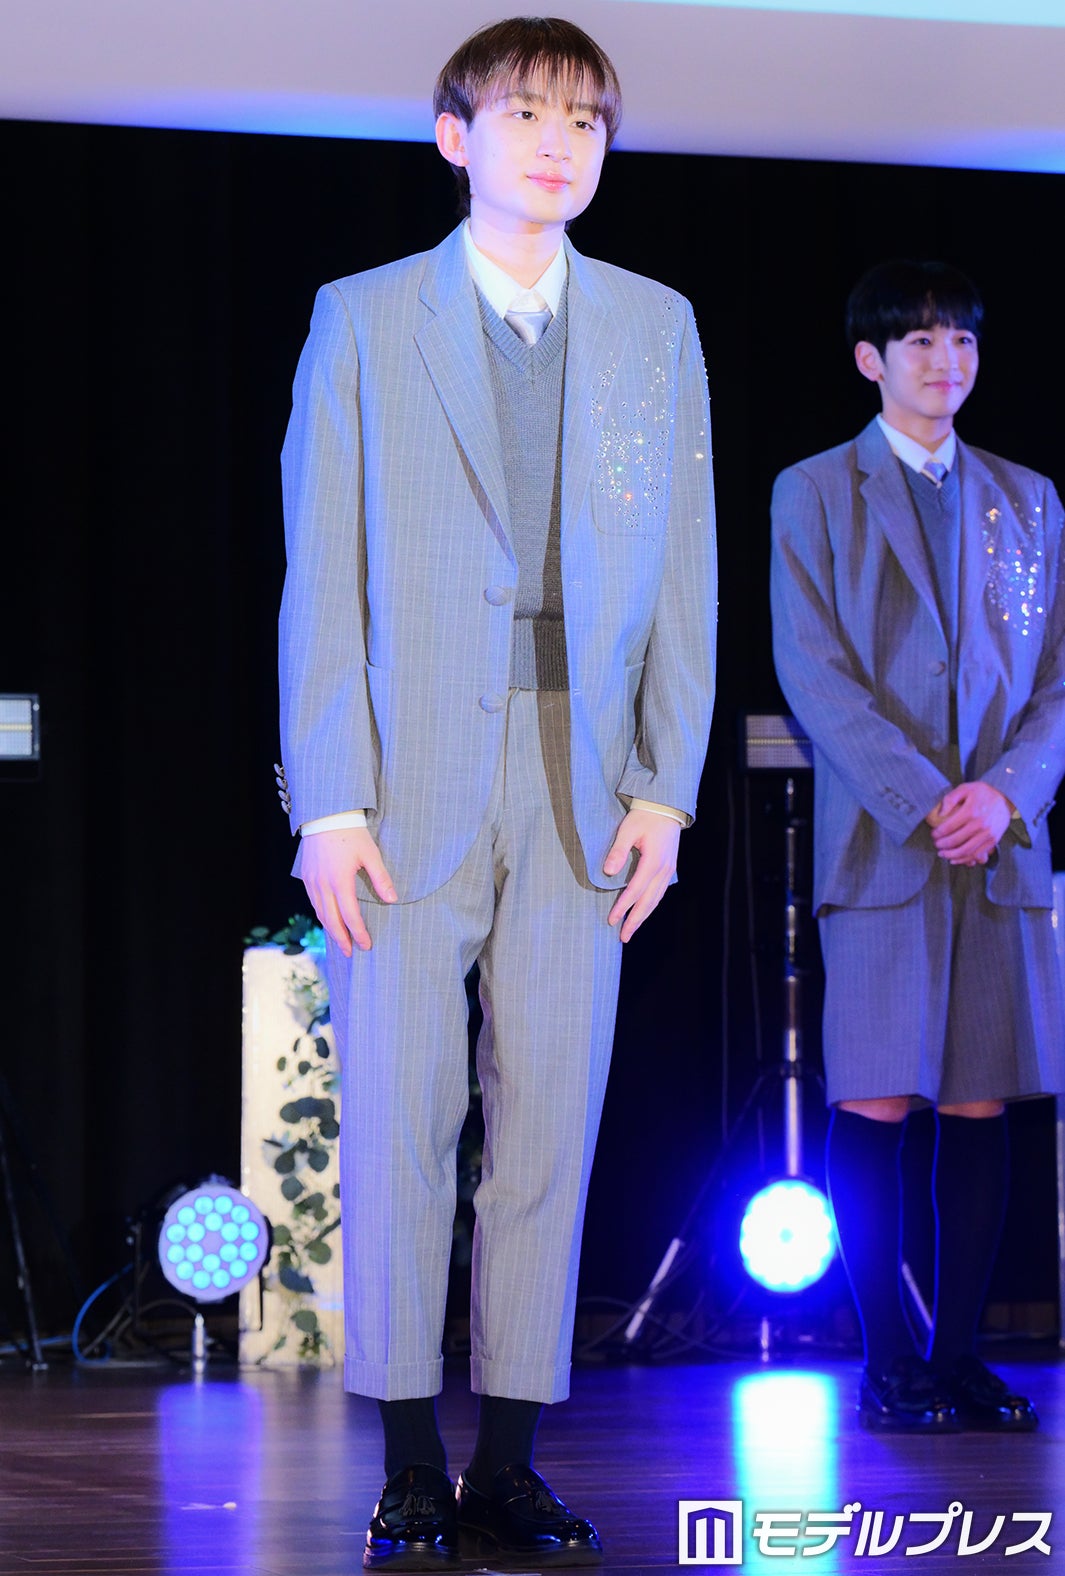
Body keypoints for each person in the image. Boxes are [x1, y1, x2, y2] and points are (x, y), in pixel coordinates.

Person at [276, 16, 716, 1566]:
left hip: (584, 784)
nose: (558, 144)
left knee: (549, 1120)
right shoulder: (365, 315)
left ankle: (510, 1461)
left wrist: (664, 788)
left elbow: (683, 571)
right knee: (404, 1118)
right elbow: (319, 568)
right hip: (406, 781)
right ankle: (407, 1459)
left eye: (585, 122)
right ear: (453, 135)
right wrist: (329, 801)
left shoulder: (654, 326)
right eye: (526, 113)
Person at [770, 259, 1065, 1434]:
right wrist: (927, 797)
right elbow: (813, 671)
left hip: (1000, 846)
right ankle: (887, 1359)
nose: (947, 363)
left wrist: (1004, 793)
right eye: (922, 342)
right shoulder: (813, 490)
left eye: (962, 342)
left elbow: (1057, 680)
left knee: (981, 1104)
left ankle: (960, 1356)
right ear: (871, 359)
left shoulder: (1029, 498)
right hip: (883, 845)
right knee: (879, 1098)